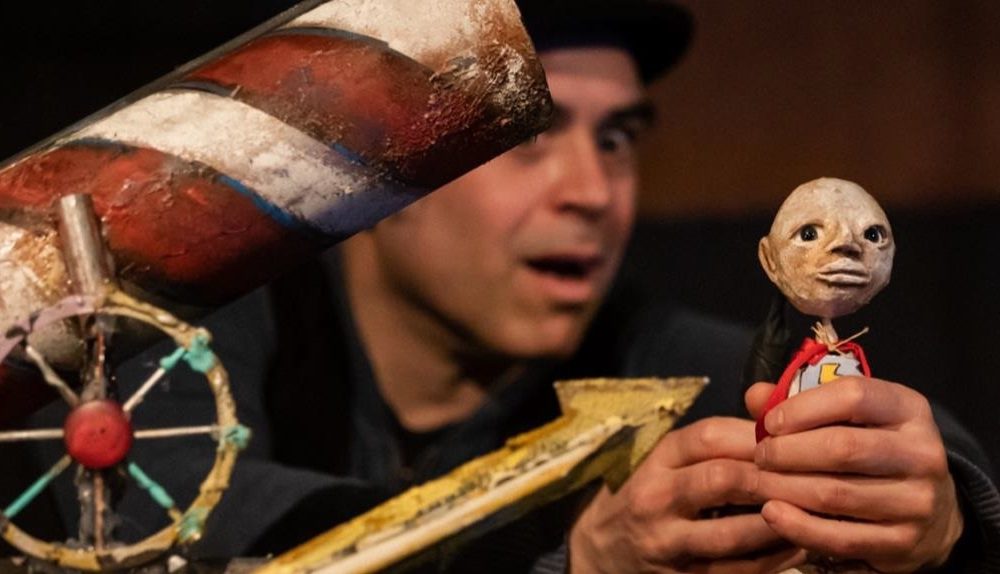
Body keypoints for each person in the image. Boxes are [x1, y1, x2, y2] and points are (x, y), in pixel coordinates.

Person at [16, 0, 1000, 571]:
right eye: (530, 140)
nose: (593, 192)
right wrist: (574, 555)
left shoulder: (649, 348)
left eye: (616, 140)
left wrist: (944, 519)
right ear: (377, 170)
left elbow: (934, 459)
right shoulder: (196, 343)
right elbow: (181, 519)